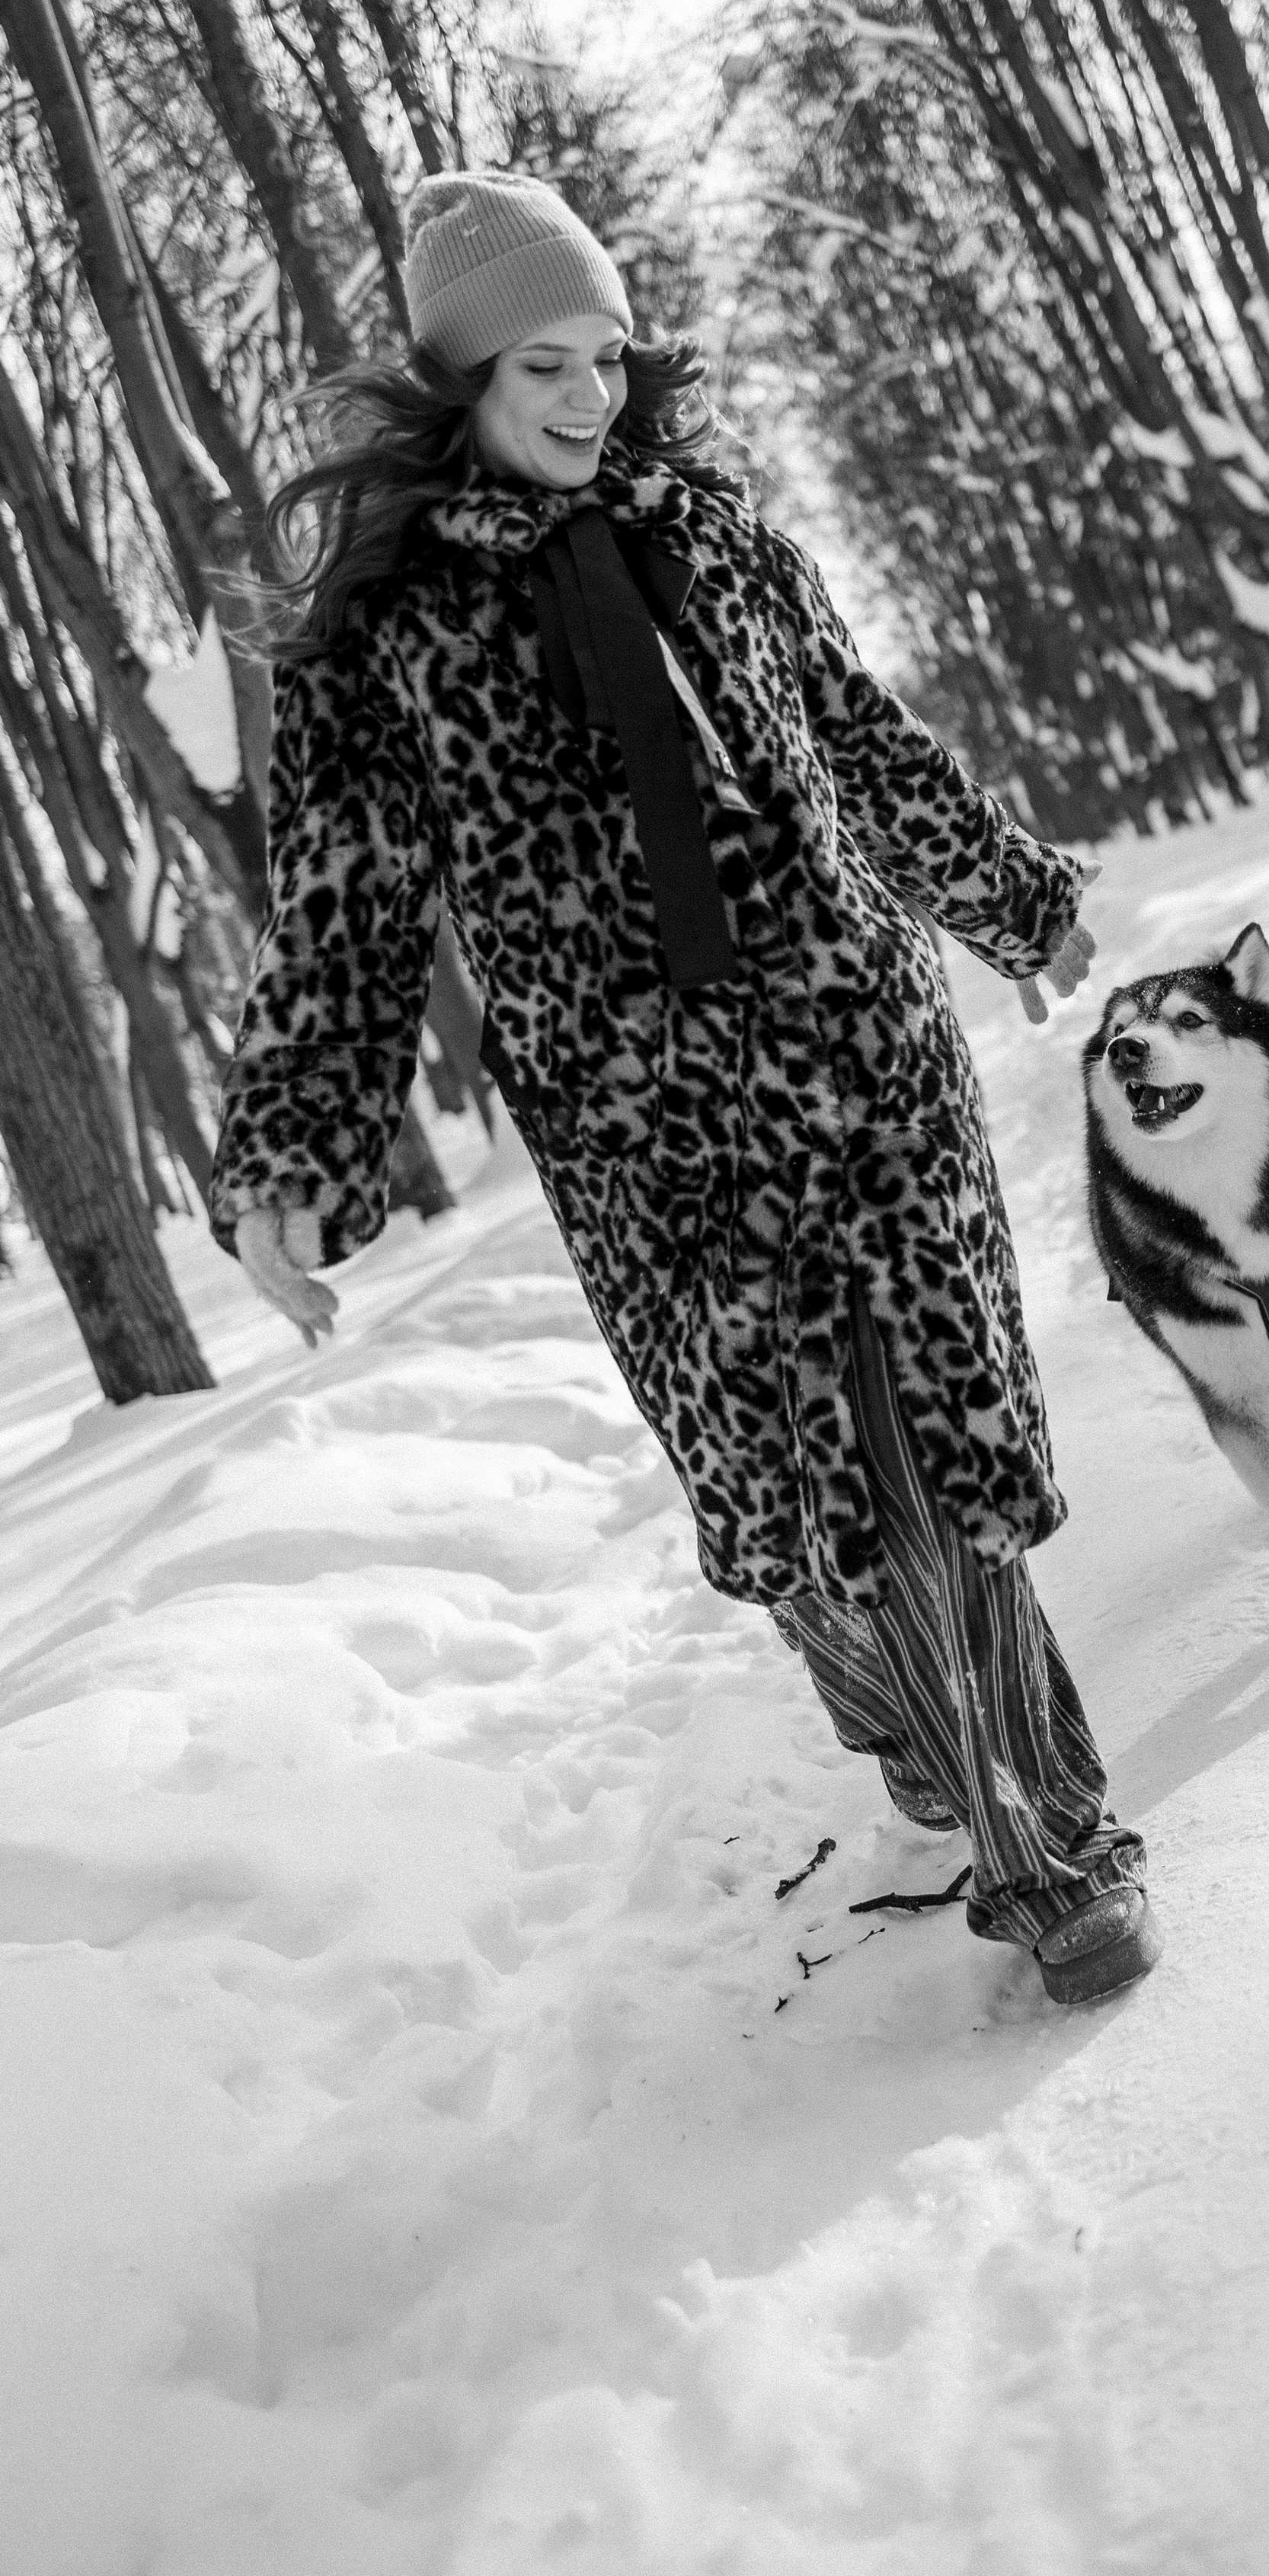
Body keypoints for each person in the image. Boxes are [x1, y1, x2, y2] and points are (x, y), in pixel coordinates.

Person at [211, 170, 1157, 2007]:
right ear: (457, 386)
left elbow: (861, 746)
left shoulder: (716, 538)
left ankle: (1048, 1857)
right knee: (803, 1519)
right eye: (542, 364)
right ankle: (918, 1747)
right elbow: (345, 916)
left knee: (926, 1466)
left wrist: (1015, 904)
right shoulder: (386, 638)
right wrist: (293, 1160)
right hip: (650, 1143)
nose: (587, 397)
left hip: (862, 1065)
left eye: (608, 357)